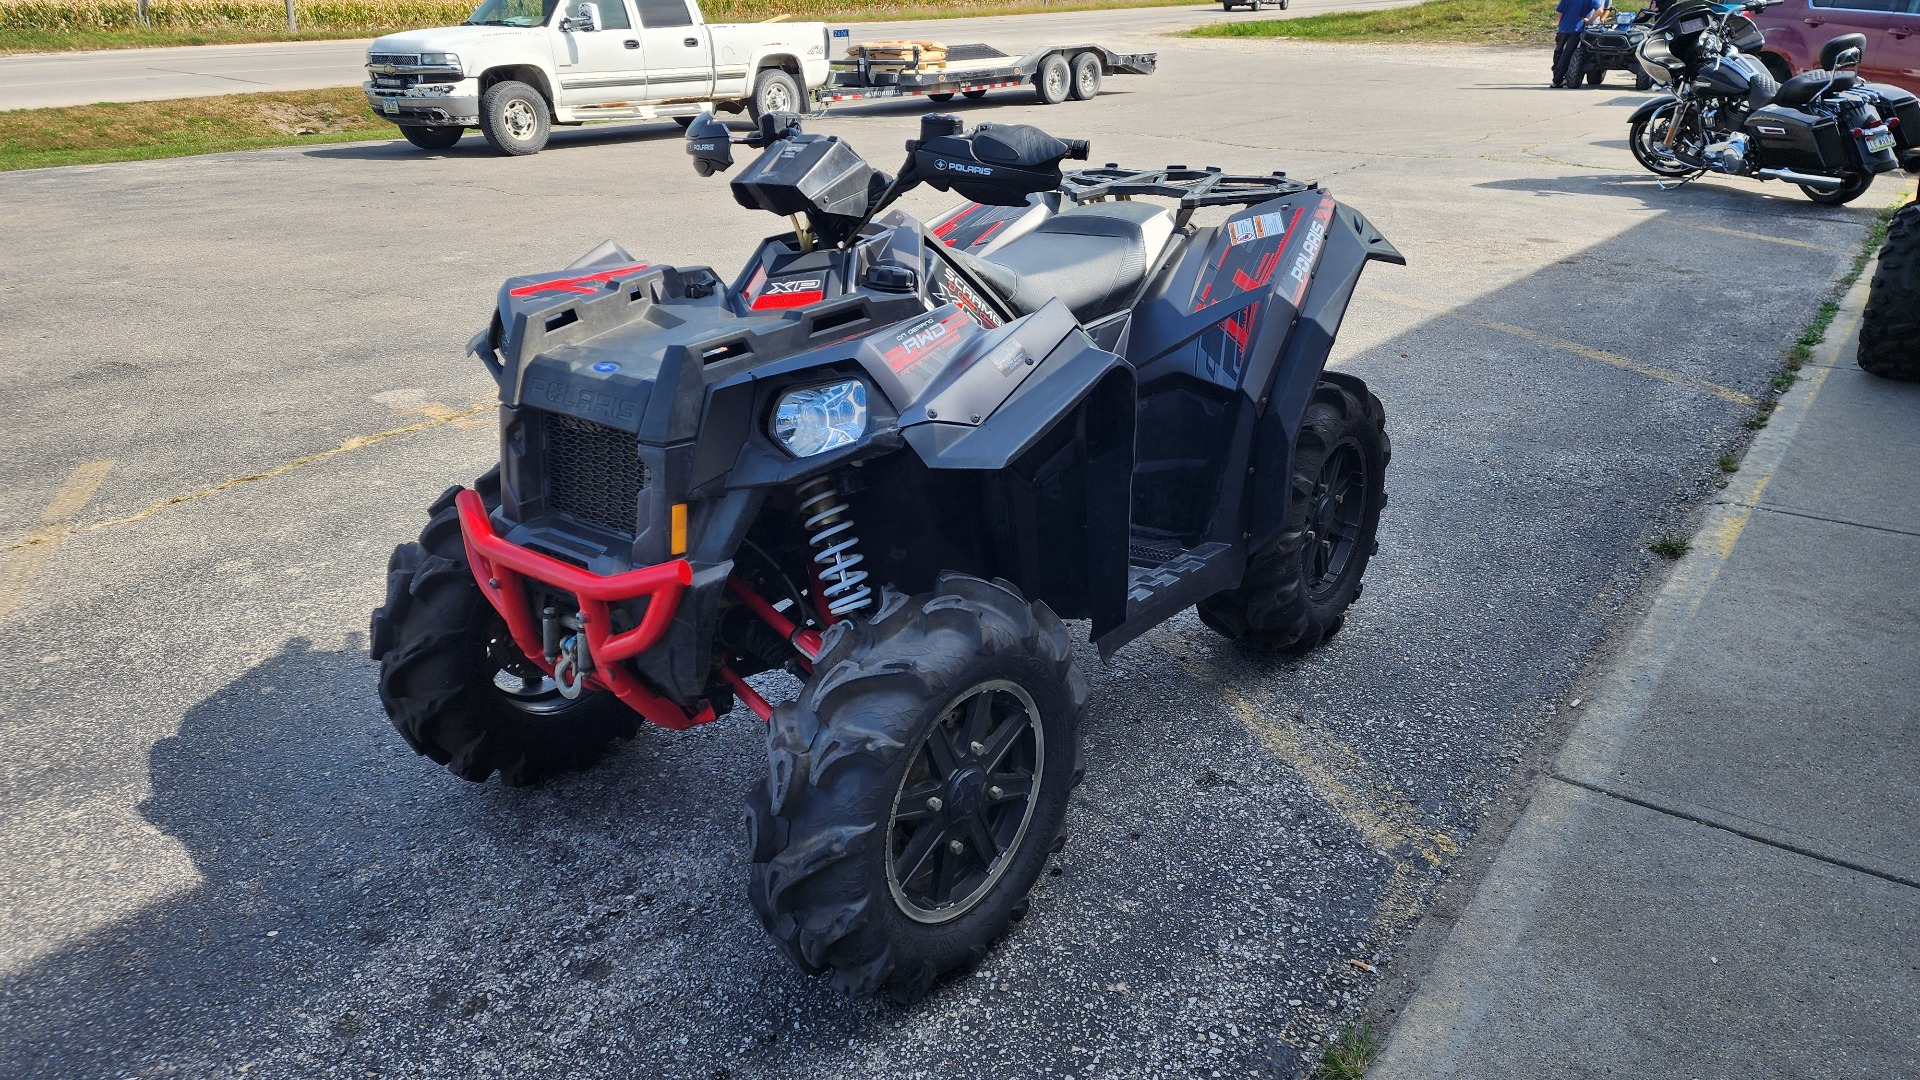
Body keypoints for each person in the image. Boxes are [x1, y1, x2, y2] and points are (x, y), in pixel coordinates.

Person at [1552, 0, 1604, 87]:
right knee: (1567, 54)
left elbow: (1560, 13)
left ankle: (1556, 76)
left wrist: (1559, 26)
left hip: (1563, 28)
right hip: (1577, 28)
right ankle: (1558, 79)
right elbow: (1600, 10)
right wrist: (1590, 20)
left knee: (1558, 52)